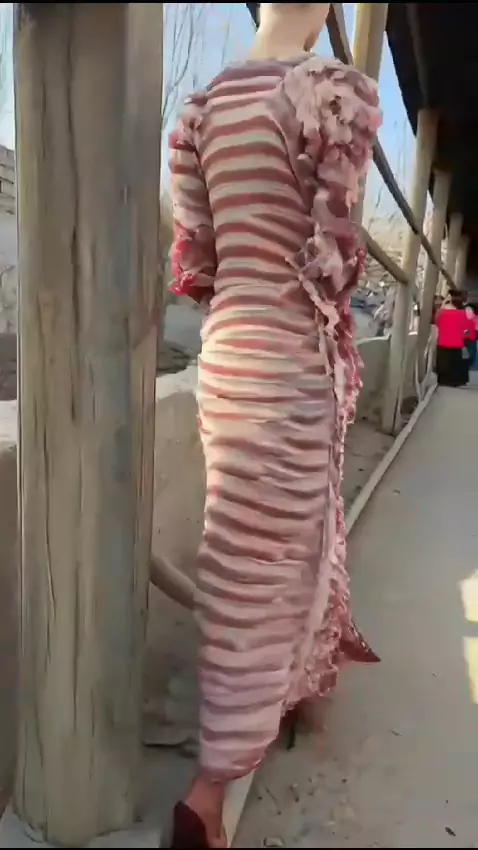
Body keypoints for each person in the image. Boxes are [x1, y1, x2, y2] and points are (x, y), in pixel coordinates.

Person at [168, 4, 382, 846]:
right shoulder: (333, 92)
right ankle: (211, 791)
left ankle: (239, 736)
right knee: (276, 572)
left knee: (233, 558)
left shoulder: (200, 110)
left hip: (227, 356)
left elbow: (197, 257)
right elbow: (338, 259)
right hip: (291, 359)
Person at [435, 290, 471, 387]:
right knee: (455, 363)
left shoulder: (441, 312)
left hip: (443, 341)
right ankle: (455, 381)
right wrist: (467, 336)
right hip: (457, 342)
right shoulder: (462, 314)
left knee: (443, 362)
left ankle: (443, 381)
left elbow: (437, 323)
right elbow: (466, 329)